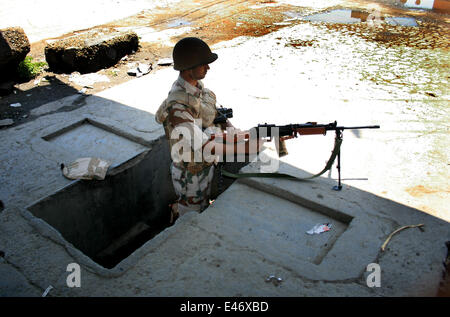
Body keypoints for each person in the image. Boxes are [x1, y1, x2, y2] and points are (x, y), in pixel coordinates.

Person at [155, 37, 263, 222]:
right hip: (190, 175)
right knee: (191, 218)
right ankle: (178, 215)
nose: (208, 68)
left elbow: (211, 118)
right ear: (189, 67)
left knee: (203, 206)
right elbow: (204, 146)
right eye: (204, 64)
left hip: (204, 167)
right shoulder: (178, 107)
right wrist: (244, 148)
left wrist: (234, 131)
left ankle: (180, 208)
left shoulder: (197, 90)